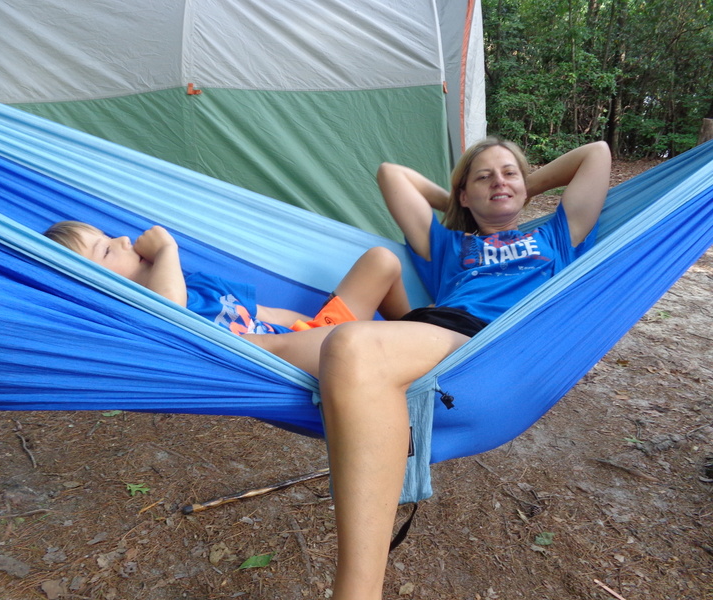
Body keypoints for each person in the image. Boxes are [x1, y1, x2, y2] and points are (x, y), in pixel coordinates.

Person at [310, 136, 611, 599]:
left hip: (478, 346)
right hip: (423, 330)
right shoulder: (450, 245)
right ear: (465, 196)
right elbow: (391, 173)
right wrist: (461, 199)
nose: (499, 181)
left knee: (348, 343)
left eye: (509, 173)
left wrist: (519, 186)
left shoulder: (556, 235)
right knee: (272, 347)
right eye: (484, 177)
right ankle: (205, 312)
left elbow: (597, 153)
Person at [43, 221, 411, 351]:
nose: (123, 238)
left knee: (381, 260)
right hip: (299, 364)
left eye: (109, 235)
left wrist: (318, 328)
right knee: (356, 342)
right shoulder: (147, 313)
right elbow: (168, 310)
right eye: (107, 249)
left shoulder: (199, 284)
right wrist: (168, 250)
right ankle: (421, 340)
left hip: (315, 340)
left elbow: (268, 313)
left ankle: (417, 326)